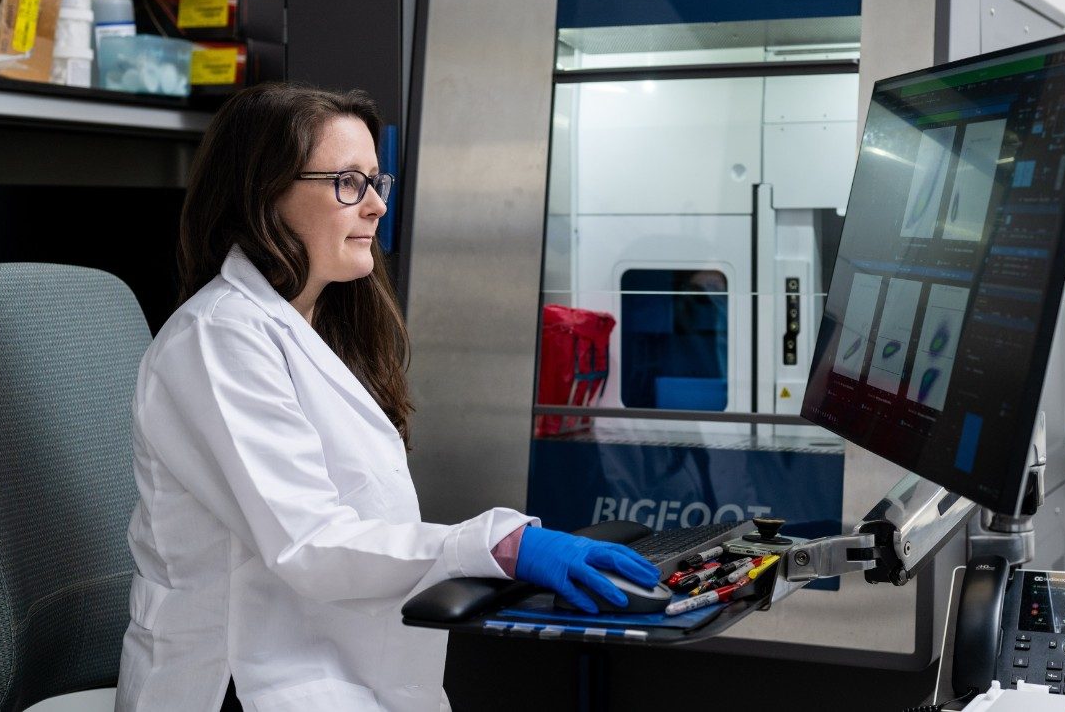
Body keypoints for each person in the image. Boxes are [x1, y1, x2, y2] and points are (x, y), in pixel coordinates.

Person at [115, 83, 659, 712]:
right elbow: (309, 543)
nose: (375, 206)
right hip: (244, 684)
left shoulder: (310, 329)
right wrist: (501, 547)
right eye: (348, 183)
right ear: (264, 195)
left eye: (376, 182)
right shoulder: (217, 337)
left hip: (334, 667)